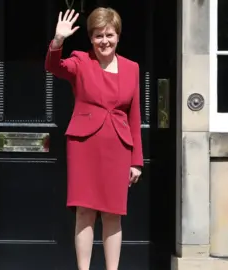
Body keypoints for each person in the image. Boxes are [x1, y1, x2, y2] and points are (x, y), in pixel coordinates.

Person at [44, 8, 143, 270]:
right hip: (84, 145)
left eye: (109, 35)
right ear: (91, 38)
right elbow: (54, 66)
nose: (104, 41)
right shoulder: (80, 61)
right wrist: (58, 40)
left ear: (118, 36)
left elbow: (134, 116)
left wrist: (136, 160)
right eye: (98, 36)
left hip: (118, 147)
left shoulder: (132, 68)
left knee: (113, 213)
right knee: (85, 212)